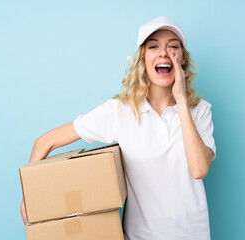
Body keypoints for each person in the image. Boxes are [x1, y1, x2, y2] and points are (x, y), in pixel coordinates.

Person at [21, 16, 216, 240]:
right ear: (142, 58)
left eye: (173, 46)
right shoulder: (120, 112)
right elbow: (44, 142)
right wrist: (30, 197)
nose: (164, 53)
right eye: (153, 46)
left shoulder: (200, 110)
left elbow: (199, 169)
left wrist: (181, 101)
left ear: (182, 59)